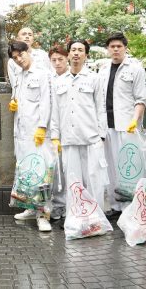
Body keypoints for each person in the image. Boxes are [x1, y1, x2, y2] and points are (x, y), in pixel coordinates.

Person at [50, 39, 108, 212]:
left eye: (80, 50)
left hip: (91, 138)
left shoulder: (94, 79)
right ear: (68, 54)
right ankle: (74, 217)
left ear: (86, 55)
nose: (76, 53)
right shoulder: (59, 81)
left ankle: (95, 217)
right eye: (73, 50)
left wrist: (101, 136)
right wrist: (55, 137)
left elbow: (101, 108)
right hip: (69, 139)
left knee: (94, 180)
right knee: (73, 181)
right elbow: (55, 112)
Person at [99, 33, 146, 218]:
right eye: (112, 46)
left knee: (128, 169)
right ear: (108, 49)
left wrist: (134, 120)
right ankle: (115, 206)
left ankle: (131, 207)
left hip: (126, 126)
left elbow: (141, 98)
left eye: (119, 46)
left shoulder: (135, 68)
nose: (115, 49)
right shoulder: (103, 70)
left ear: (125, 47)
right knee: (111, 168)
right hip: (107, 127)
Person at [8, 41, 53, 232]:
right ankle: (28, 207)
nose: (19, 60)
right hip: (22, 133)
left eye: (21, 55)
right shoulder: (18, 75)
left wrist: (42, 126)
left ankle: (43, 215)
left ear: (28, 52)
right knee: (26, 174)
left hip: (37, 134)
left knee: (42, 174)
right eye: (15, 58)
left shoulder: (43, 73)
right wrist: (13, 101)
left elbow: (46, 101)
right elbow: (18, 97)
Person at [48, 45, 69, 225]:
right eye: (53, 60)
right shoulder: (49, 79)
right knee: (56, 171)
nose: (57, 63)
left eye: (60, 59)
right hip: (53, 132)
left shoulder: (73, 77)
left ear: (67, 58)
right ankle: (57, 206)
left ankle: (70, 206)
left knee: (71, 171)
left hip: (72, 132)